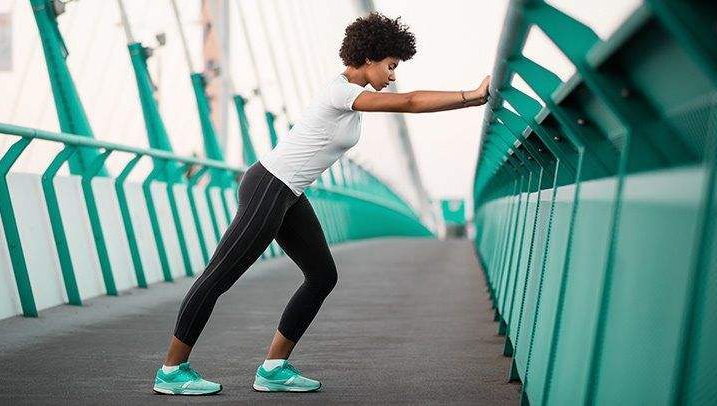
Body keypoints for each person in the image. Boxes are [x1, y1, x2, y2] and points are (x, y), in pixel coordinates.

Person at [152, 12, 490, 395]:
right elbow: (409, 102)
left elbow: (404, 98)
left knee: (322, 276)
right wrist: (470, 97)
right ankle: (171, 370)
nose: (393, 77)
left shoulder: (349, 95)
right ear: (370, 57)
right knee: (219, 277)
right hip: (269, 186)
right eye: (391, 66)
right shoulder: (341, 92)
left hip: (289, 193)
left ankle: (274, 368)